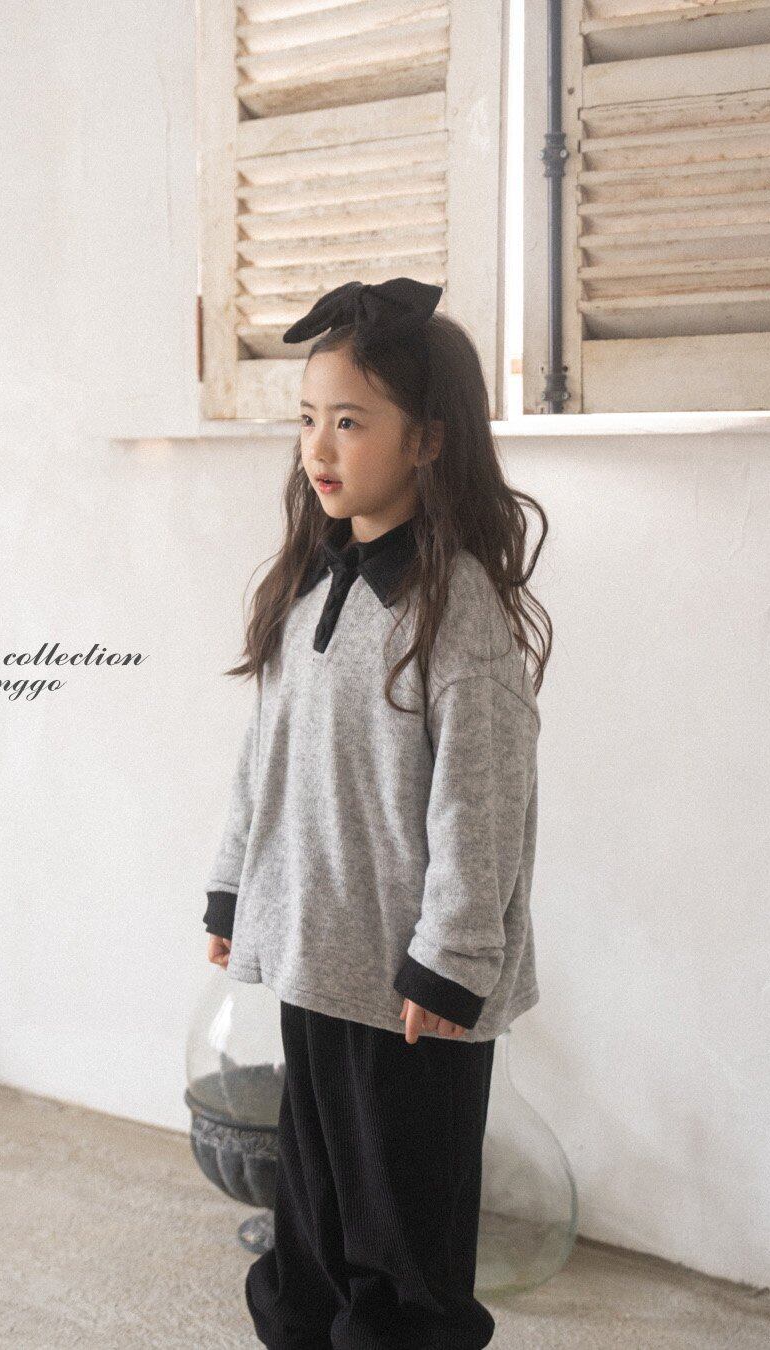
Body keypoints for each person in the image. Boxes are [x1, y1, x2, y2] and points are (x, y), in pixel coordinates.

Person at [202, 277, 552, 1350]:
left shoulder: (458, 613)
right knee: (312, 1214)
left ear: (429, 441)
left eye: (350, 423)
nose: (319, 447)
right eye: (309, 418)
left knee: (403, 1241)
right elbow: (265, 762)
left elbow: (482, 806)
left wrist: (451, 960)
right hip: (317, 956)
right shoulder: (313, 585)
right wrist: (233, 889)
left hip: (412, 993)